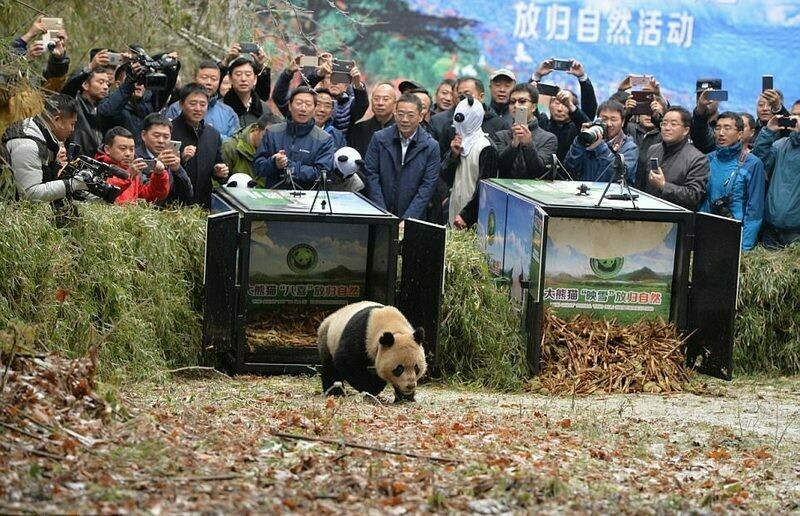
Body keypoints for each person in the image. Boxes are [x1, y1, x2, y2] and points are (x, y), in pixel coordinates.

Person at [364, 93, 440, 219]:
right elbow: (371, 174)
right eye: (400, 114)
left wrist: (409, 219)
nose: (404, 119)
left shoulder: (431, 146)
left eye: (410, 115)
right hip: (380, 213)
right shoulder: (379, 138)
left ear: (421, 117)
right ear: (395, 114)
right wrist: (382, 213)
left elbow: (427, 186)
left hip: (413, 216)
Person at [699, 112, 765, 250]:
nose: (721, 133)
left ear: (740, 134)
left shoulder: (752, 164)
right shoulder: (707, 159)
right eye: (718, 128)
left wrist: (744, 248)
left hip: (735, 234)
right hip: (706, 233)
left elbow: (754, 210)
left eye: (727, 128)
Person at [2, 93, 85, 202]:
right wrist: (72, 184)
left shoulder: (43, 137)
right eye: (72, 124)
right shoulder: (27, 145)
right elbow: (29, 194)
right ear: (57, 120)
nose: (72, 130)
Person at [253, 86, 335, 189]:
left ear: (314, 109)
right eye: (299, 103)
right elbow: (257, 167)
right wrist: (274, 163)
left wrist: (291, 167)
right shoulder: (273, 132)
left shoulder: (324, 139)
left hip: (307, 195)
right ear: (290, 106)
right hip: (274, 193)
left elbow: (322, 173)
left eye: (308, 104)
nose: (303, 108)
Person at [440, 96, 498, 229]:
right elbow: (445, 176)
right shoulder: (459, 143)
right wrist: (453, 156)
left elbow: (485, 189)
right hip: (455, 212)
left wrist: (466, 215)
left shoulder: (486, 147)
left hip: (474, 219)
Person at [169, 83, 229, 207]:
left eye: (202, 104)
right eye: (192, 104)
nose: (198, 108)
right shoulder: (169, 131)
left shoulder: (213, 134)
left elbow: (218, 162)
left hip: (203, 204)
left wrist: (219, 171)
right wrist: (182, 160)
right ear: (181, 104)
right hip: (174, 204)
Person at [752, 101, 800, 249]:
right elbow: (758, 162)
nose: (795, 119)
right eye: (794, 115)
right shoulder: (781, 145)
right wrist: (768, 131)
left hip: (797, 233)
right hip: (771, 229)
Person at [644, 107, 709, 211]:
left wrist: (664, 186)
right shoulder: (653, 149)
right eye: (664, 123)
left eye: (673, 124)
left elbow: (694, 196)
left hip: (676, 216)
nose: (667, 128)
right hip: (647, 211)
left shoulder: (697, 159)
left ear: (686, 130)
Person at [490, 83, 557, 179]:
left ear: (533, 107)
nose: (516, 106)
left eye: (522, 101)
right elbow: (498, 169)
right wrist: (513, 146)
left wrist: (528, 145)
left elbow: (539, 172)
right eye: (512, 102)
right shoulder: (500, 136)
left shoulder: (548, 139)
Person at [565, 100, 638, 184]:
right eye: (604, 119)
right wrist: (580, 141)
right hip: (585, 190)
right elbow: (569, 167)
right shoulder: (590, 138)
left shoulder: (629, 147)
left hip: (612, 192)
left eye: (613, 119)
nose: (609, 124)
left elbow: (620, 175)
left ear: (623, 122)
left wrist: (600, 147)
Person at [163, 60, 239, 140]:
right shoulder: (177, 108)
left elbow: (235, 142)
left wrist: (211, 136)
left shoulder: (228, 113)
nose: (209, 82)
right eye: (204, 78)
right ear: (194, 78)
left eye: (214, 79)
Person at [95, 126, 168, 204]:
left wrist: (159, 175)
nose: (128, 154)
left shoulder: (134, 170)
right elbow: (103, 195)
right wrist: (128, 175)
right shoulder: (96, 168)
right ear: (107, 149)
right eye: (123, 148)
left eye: (131, 149)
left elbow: (152, 196)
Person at [136, 113, 194, 204]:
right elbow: (142, 193)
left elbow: (187, 196)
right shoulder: (134, 157)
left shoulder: (171, 158)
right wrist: (157, 167)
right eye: (156, 135)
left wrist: (178, 170)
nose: (161, 141)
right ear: (143, 135)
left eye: (166, 137)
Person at [222, 112, 282, 182]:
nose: (269, 142)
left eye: (273, 138)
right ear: (256, 129)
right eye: (266, 136)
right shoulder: (230, 147)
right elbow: (217, 181)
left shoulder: (277, 152)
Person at [532, 57, 598, 119]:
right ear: (549, 105)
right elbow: (529, 106)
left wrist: (582, 77)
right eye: (557, 103)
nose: (559, 109)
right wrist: (537, 75)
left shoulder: (580, 125)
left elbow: (589, 114)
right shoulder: (542, 123)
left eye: (565, 104)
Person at [347, 83, 397, 157]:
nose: (380, 103)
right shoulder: (358, 129)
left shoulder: (401, 130)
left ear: (395, 104)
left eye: (385, 99)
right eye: (376, 99)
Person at [69, 68, 110, 155]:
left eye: (107, 83)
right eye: (101, 82)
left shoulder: (105, 108)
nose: (106, 87)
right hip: (77, 157)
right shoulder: (75, 103)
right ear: (85, 84)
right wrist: (90, 67)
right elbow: (69, 86)